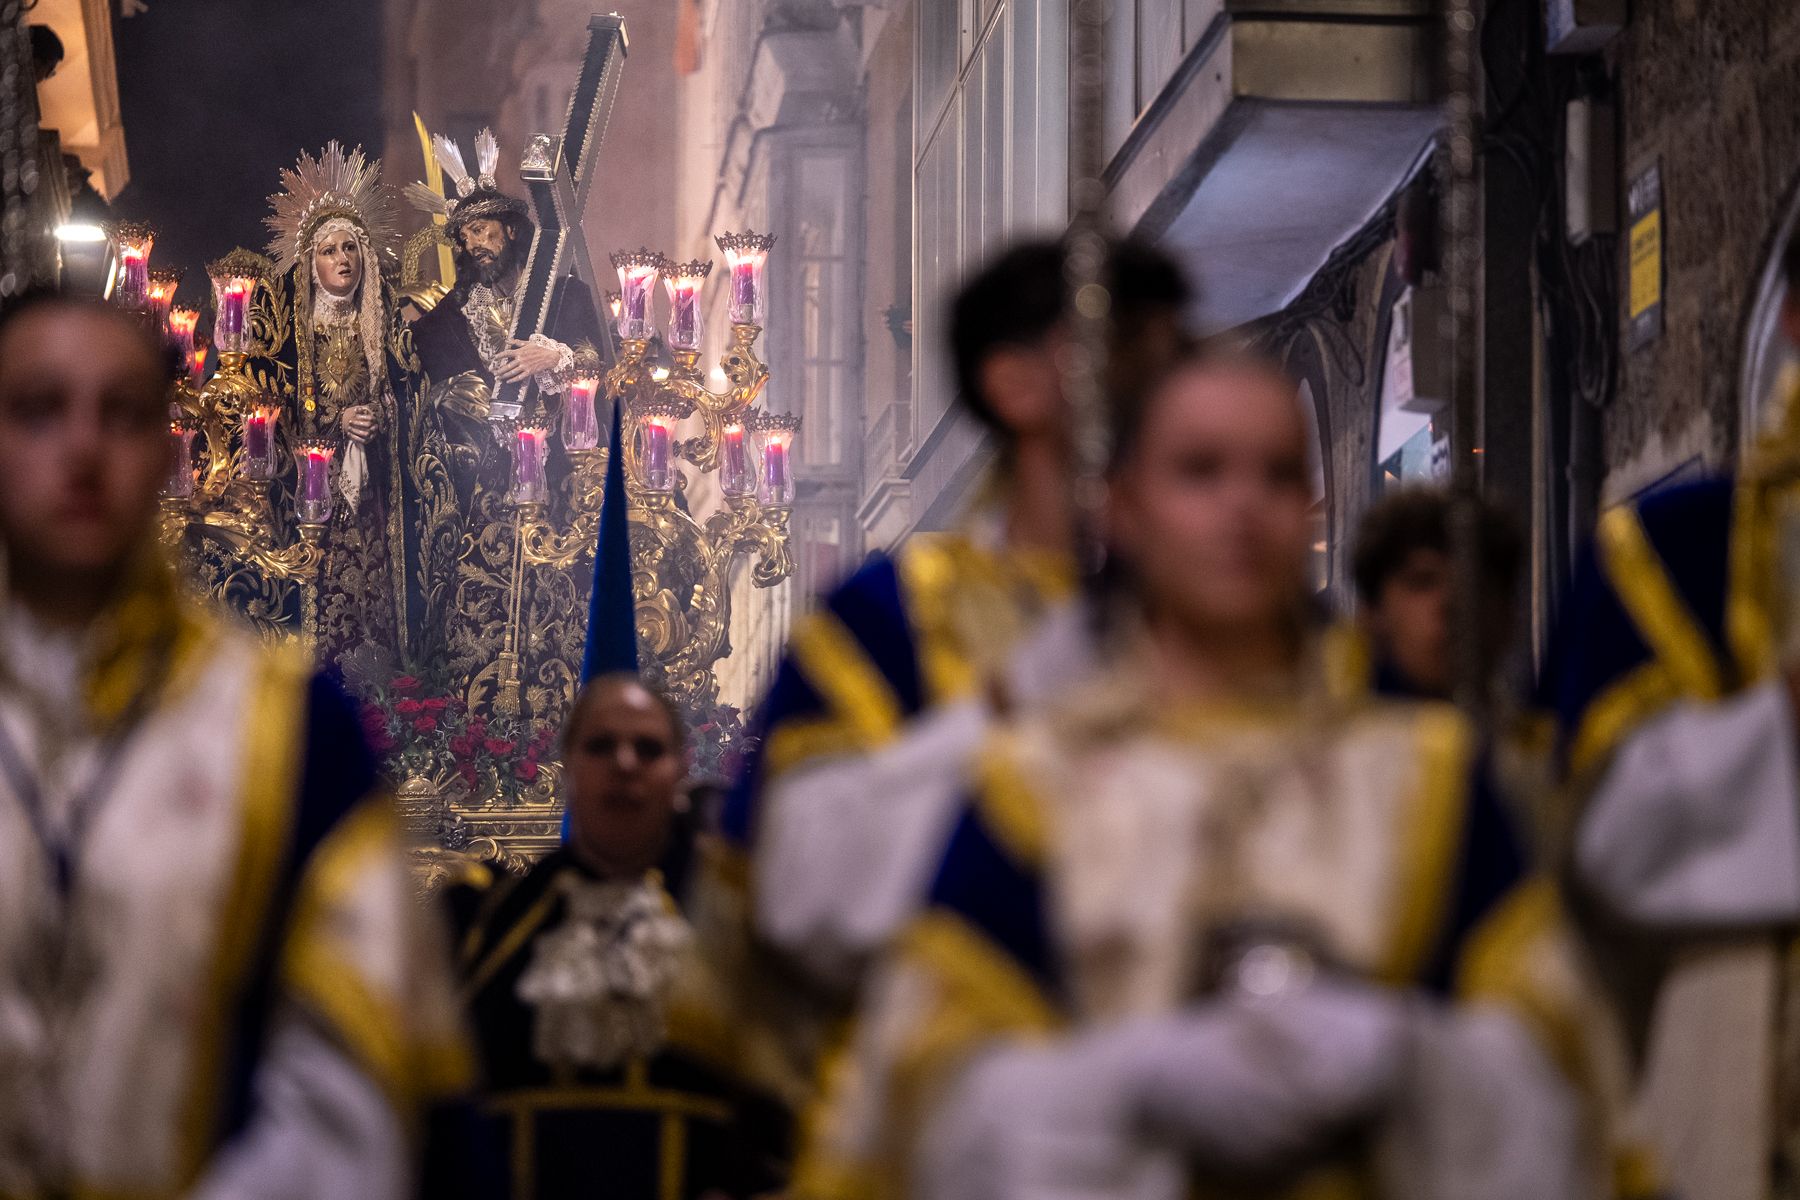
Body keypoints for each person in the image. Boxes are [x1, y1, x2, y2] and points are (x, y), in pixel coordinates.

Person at [797, 350, 1610, 1200]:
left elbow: (1555, 1057)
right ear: (1124, 509)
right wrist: (1117, 1084)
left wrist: (1410, 1053)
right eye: (1200, 472)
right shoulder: (1033, 785)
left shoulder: (1428, 774)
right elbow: (928, 1087)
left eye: (1278, 476)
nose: (1242, 506)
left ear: (1310, 511)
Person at [0, 290, 468, 1198]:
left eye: (125, 414)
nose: (84, 450)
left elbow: (352, 1095)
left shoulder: (290, 735)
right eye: (38, 410)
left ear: (170, 453)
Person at [716, 238, 1193, 994]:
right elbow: (803, 896)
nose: (1169, 386)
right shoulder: (885, 621)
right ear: (1015, 385)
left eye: (1178, 354)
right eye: (1126, 349)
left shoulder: (1245, 619)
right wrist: (1017, 693)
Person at [1546, 232, 1800, 1199]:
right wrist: (1776, 727)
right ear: (1791, 315)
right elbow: (1592, 847)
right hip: (1739, 1063)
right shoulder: (1674, 554)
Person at [451, 673, 792, 1200]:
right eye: (601, 746)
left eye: (648, 749)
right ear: (569, 768)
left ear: (679, 772)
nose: (624, 763)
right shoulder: (487, 926)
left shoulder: (737, 929)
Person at [250, 141, 445, 678]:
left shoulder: (384, 336)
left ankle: (382, 696)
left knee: (375, 600)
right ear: (311, 264)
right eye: (329, 250)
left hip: (375, 497)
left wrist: (383, 417)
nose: (342, 259)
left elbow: (415, 401)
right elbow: (268, 413)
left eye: (350, 249)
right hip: (310, 498)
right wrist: (333, 427)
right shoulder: (291, 341)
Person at [405, 129, 604, 505]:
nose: (473, 245)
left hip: (568, 472)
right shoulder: (458, 311)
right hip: (494, 488)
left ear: (510, 229)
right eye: (464, 237)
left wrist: (554, 358)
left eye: (480, 230)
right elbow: (409, 360)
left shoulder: (565, 294)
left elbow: (604, 368)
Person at [1349, 487, 1523, 701]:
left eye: (1473, 582)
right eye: (1422, 582)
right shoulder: (1323, 733)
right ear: (1372, 614)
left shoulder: (1551, 733)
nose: (1450, 602)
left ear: (1507, 614)